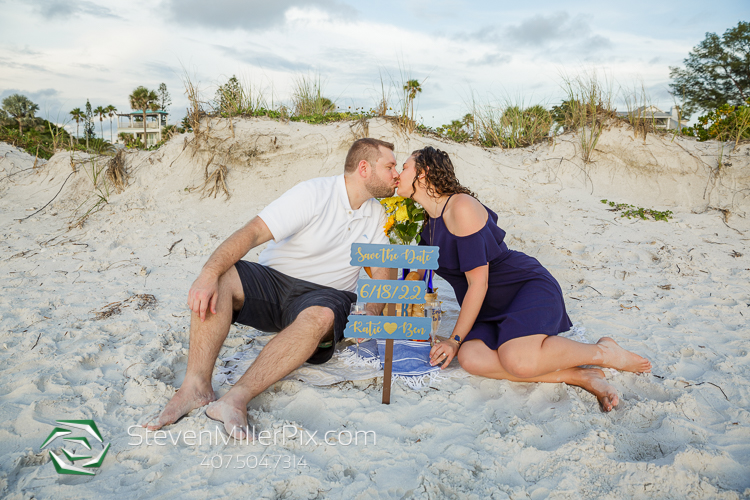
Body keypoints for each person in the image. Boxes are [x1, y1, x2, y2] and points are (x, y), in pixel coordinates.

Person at [146, 138, 399, 437]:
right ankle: (195, 386)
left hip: (325, 297)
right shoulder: (314, 193)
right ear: (364, 168)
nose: (396, 173)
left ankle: (236, 398)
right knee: (223, 277)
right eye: (390, 166)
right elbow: (253, 233)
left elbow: (384, 266)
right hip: (274, 282)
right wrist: (208, 273)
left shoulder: (378, 213)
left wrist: (372, 311)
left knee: (322, 317)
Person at [397, 146, 651, 412]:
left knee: (517, 360)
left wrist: (454, 339)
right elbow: (415, 272)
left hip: (522, 289)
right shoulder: (429, 223)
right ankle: (580, 375)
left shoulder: (460, 206)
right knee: (472, 359)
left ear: (423, 174)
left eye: (404, 168)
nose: (399, 174)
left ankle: (604, 352)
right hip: (487, 308)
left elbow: (478, 283)